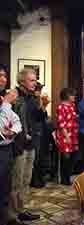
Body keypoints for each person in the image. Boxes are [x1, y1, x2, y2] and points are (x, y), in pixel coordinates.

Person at [10, 68, 42, 222]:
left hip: (31, 144)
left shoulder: (32, 97)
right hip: (19, 145)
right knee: (16, 181)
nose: (35, 83)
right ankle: (12, 215)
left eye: (35, 80)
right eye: (32, 80)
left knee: (26, 179)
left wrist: (41, 103)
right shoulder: (14, 96)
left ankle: (21, 210)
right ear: (22, 81)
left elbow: (40, 118)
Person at [0, 80, 22, 224]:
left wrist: (13, 131)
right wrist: (7, 103)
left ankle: (5, 218)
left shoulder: (3, 100)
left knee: (5, 187)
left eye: (4, 76)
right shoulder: (5, 102)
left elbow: (16, 120)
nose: (3, 79)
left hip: (7, 149)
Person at [55, 88, 79, 185]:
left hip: (73, 134)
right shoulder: (61, 107)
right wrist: (66, 136)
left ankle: (68, 176)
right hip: (65, 135)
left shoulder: (72, 106)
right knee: (66, 157)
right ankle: (64, 179)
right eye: (72, 95)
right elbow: (61, 123)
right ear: (67, 96)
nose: (74, 97)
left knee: (73, 157)